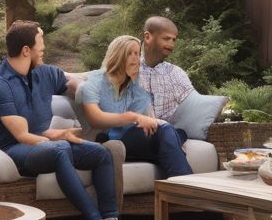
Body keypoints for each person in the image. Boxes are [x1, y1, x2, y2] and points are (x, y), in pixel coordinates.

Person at [0, 21, 133, 220]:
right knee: (61, 148)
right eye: (40, 42)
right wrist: (59, 137)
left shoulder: (44, 72)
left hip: (49, 144)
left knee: (101, 154)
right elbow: (22, 135)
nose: (43, 48)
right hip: (14, 149)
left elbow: (74, 84)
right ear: (26, 50)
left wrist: (98, 97)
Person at [77, 35, 193, 178]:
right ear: (117, 55)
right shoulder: (95, 82)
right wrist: (134, 117)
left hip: (133, 137)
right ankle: (189, 189)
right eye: (129, 53)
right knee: (170, 134)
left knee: (172, 133)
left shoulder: (134, 85)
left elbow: (149, 120)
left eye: (137, 53)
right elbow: (95, 118)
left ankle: (185, 190)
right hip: (111, 139)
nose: (135, 58)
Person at [139, 16, 195, 123]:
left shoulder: (177, 73)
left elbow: (192, 103)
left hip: (169, 132)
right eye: (166, 38)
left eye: (174, 40)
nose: (171, 44)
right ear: (147, 37)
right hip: (136, 131)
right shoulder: (127, 70)